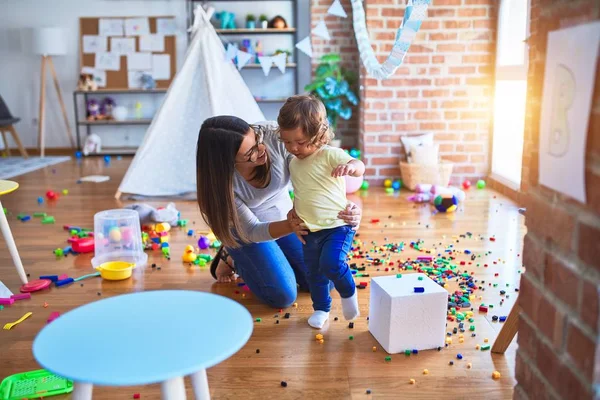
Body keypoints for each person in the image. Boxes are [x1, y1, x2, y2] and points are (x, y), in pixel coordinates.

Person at [195, 116, 362, 309]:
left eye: (257, 141)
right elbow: (251, 230)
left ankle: (272, 255)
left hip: (283, 216)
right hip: (246, 232)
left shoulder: (275, 136)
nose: (262, 150)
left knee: (325, 279)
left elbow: (313, 168)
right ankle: (232, 257)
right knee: (282, 295)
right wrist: (291, 226)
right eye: (250, 153)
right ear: (228, 164)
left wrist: (342, 206)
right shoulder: (220, 185)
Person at [278, 95, 365, 329]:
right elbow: (302, 191)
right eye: (287, 143)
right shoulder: (294, 163)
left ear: (318, 135)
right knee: (314, 274)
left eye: (300, 142)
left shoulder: (329, 154)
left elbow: (359, 165)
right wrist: (294, 211)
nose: (293, 148)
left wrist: (352, 168)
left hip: (337, 225)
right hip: (309, 229)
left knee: (332, 263)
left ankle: (348, 292)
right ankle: (321, 309)